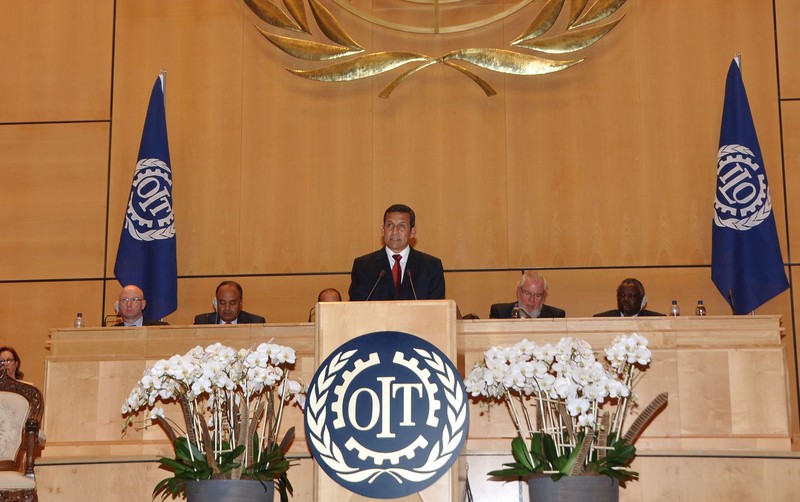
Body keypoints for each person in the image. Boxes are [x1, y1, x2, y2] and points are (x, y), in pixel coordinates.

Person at [349, 204, 445, 301]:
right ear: (383, 230)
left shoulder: (431, 267)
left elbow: (436, 310)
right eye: (389, 225)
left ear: (412, 232)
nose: (394, 232)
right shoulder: (363, 266)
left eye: (401, 226)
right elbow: (356, 308)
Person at [490, 271, 566, 319]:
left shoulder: (556, 316)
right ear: (518, 292)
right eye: (527, 293)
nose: (531, 300)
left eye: (537, 295)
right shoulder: (500, 313)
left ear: (544, 296)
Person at [194, 280, 266, 324]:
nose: (227, 308)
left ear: (241, 303)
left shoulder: (255, 322)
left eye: (232, 303)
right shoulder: (202, 322)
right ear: (216, 303)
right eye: (222, 303)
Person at [594, 278, 665, 317]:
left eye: (631, 296)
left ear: (642, 300)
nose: (625, 299)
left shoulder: (657, 319)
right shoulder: (601, 319)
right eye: (621, 295)